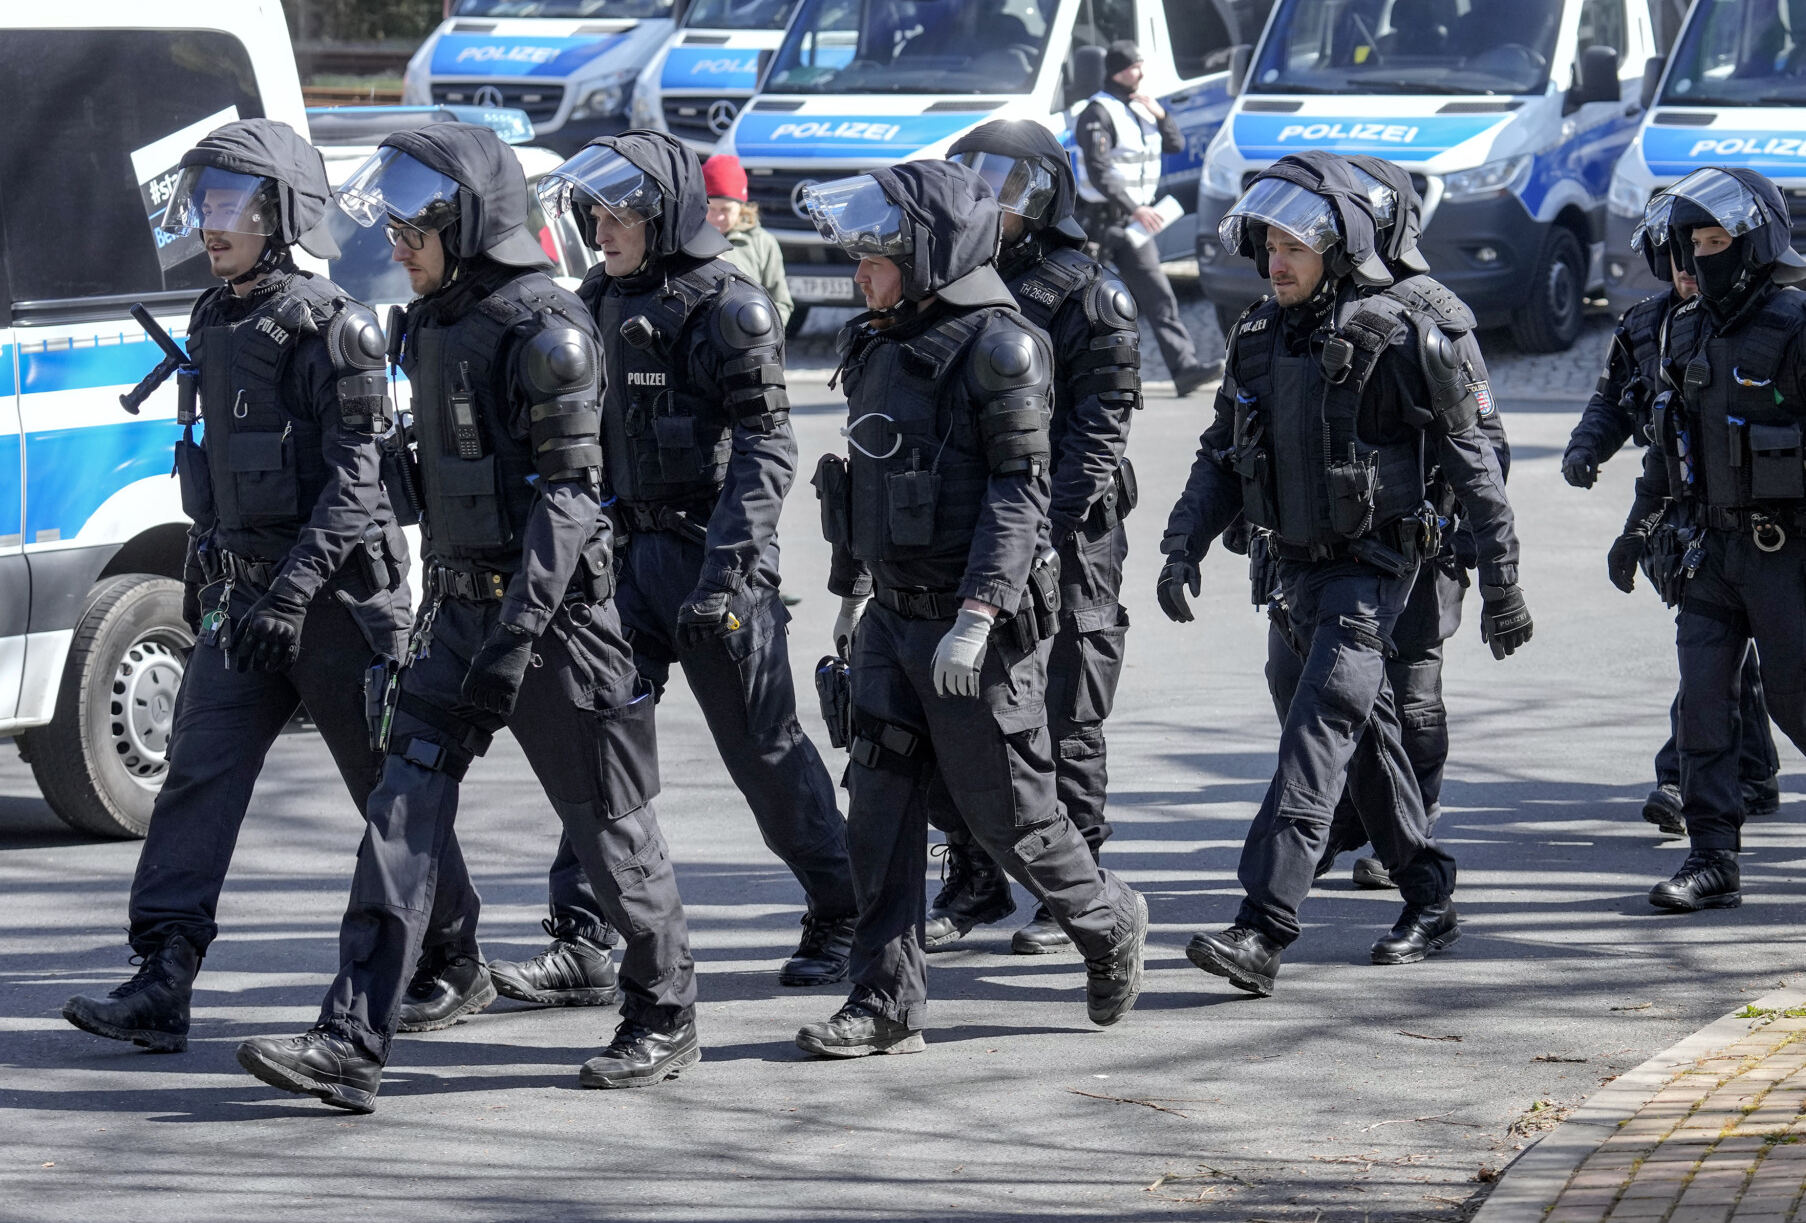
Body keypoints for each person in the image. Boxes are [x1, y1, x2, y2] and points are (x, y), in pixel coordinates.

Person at [237, 122, 697, 1111]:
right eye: (391, 220)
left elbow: (570, 504)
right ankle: (352, 1038)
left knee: (609, 826)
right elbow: (437, 476)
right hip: (453, 612)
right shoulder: (431, 322)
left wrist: (516, 641)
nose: (397, 240)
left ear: (470, 220)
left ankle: (663, 1006)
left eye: (415, 221)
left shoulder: (551, 332)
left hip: (558, 625)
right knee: (397, 814)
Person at [63, 122, 474, 1054]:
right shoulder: (214, 318)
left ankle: (451, 956)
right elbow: (217, 468)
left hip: (338, 605)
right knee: (196, 780)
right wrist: (216, 573)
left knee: (387, 793)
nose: (212, 226)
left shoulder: (337, 327)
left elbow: (356, 482)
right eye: (204, 205)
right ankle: (163, 975)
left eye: (231, 207)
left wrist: (293, 595)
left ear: (281, 215)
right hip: (245, 604)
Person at [469, 132, 855, 1008]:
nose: (602, 228)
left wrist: (728, 573)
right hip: (622, 559)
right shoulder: (597, 298)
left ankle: (844, 908)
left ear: (665, 214)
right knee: (595, 738)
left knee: (762, 753)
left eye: (620, 212)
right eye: (594, 211)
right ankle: (586, 940)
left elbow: (767, 445)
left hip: (713, 562)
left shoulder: (730, 306)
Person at [797, 159, 1148, 1057]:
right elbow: (864, 481)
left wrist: (983, 611)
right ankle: (883, 1002)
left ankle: (1106, 924)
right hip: (893, 619)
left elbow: (1020, 495)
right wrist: (853, 595)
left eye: (876, 259)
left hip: (971, 629)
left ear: (928, 253)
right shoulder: (879, 339)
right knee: (875, 813)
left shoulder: (1002, 346)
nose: (860, 276)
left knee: (1011, 817)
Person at [1159, 152, 1529, 994]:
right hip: (1287, 574)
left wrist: (1501, 579)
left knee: (1315, 737)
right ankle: (1428, 892)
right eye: (1268, 245)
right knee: (1363, 746)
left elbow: (1477, 462)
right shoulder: (1259, 333)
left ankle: (1262, 928)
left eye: (1295, 245)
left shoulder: (1404, 332)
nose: (1275, 261)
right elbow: (1223, 451)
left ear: (1344, 244)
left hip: (1373, 572)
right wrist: (1182, 544)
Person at [1622, 167, 1806, 911]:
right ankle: (1713, 858)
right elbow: (1665, 443)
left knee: (1796, 703)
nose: (1702, 256)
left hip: (1790, 553)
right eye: (1693, 242)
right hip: (1710, 553)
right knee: (1703, 707)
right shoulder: (1681, 328)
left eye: (1717, 240)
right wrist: (1636, 525)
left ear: (1755, 242)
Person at [914, 119, 1145, 954]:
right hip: (981, 527)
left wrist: (1042, 536)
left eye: (1004, 184)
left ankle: (1072, 891)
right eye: (972, 179)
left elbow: (1097, 432)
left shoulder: (1088, 292)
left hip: (1071, 535)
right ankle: (974, 880)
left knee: (1067, 709)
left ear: (1045, 194)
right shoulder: (959, 281)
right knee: (965, 705)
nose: (985, 197)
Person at [1320, 155, 1508, 886]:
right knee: (1331, 692)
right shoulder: (1310, 308)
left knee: (1414, 696)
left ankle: (1413, 823)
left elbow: (1484, 443)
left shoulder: (1437, 312)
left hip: (1421, 542)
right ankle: (1353, 819)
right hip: (1333, 546)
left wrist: (1475, 546)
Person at [1571, 216, 1782, 831]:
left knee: (1716, 656)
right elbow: (1613, 399)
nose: (1691, 267)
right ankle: (1753, 773)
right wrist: (1587, 447)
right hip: (1676, 507)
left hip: (1749, 511)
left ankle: (1679, 775)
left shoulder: (1758, 319)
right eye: (1679, 256)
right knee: (1719, 653)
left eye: (1706, 251)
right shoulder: (1643, 324)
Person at [1074, 38, 1219, 396]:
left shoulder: (1141, 107)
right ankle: (1071, 374)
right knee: (1077, 301)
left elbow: (1175, 145)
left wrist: (1162, 115)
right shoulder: (1097, 112)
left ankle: (1184, 369)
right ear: (1120, 71)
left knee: (1159, 296)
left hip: (1134, 225)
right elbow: (1098, 169)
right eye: (1135, 67)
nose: (1141, 73)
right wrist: (1133, 206)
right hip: (1099, 221)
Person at [702, 151, 794, 332]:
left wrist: (765, 335)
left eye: (726, 209)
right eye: (711, 208)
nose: (717, 217)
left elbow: (781, 302)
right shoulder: (688, 240)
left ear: (741, 207)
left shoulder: (762, 243)